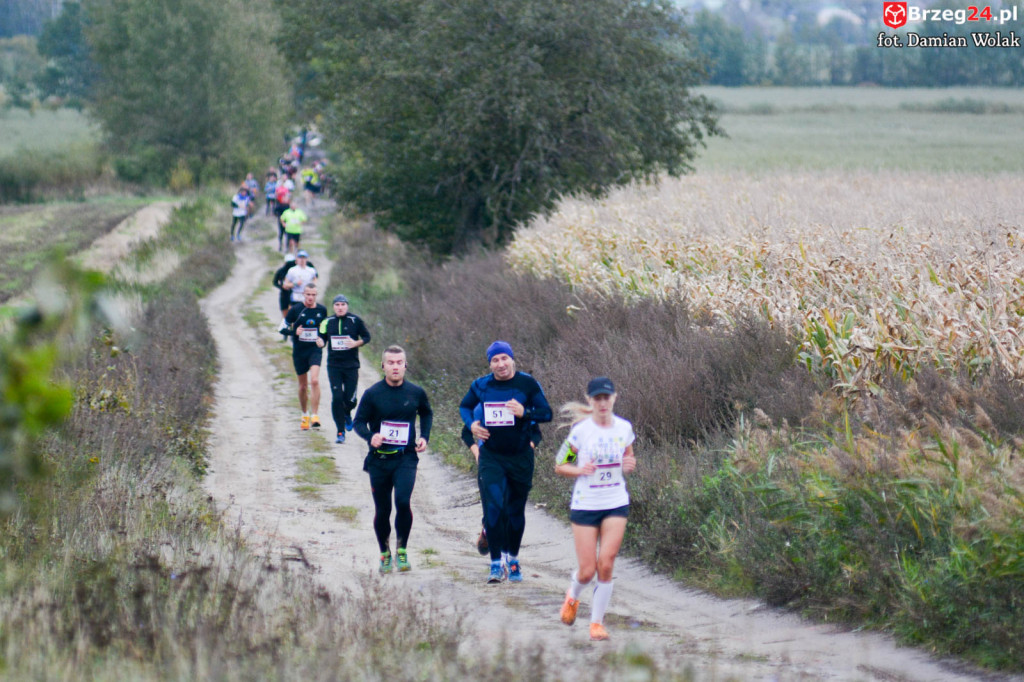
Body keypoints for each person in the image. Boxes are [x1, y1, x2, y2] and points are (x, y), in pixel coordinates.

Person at [459, 341, 552, 584]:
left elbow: (547, 413)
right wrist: (472, 425)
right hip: (491, 456)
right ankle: (495, 564)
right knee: (493, 507)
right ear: (489, 364)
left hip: (520, 457)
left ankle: (513, 559)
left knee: (514, 512)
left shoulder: (527, 384)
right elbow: (465, 407)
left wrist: (525, 413)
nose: (500, 364)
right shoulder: (481, 385)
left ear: (512, 359)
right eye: (495, 360)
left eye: (504, 358)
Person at [555, 377, 637, 642]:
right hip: (586, 504)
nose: (602, 403)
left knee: (607, 563)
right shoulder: (581, 432)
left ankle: (596, 624)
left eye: (607, 397)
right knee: (588, 570)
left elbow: (629, 456)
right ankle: (572, 597)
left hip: (615, 502)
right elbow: (560, 465)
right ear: (590, 401)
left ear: (614, 398)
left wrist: (628, 465)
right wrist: (579, 469)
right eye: (597, 398)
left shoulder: (624, 428)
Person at [353, 345, 433, 574]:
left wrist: (424, 437)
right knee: (383, 509)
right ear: (383, 366)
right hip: (379, 459)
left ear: (405, 365)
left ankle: (402, 550)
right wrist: (371, 437)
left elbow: (426, 412)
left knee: (403, 502)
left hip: (405, 457)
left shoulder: (416, 392)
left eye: (399, 363)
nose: (395, 367)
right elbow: (358, 422)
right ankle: (384, 553)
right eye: (391, 363)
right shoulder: (373, 394)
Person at [317, 294, 371, 444]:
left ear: (347, 306)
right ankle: (340, 431)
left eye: (343, 305)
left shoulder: (356, 320)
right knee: (337, 398)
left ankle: (347, 412)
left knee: (351, 399)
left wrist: (356, 343)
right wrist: (320, 342)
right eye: (337, 305)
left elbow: (367, 337)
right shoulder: (327, 321)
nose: (340, 308)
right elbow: (321, 337)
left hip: (351, 366)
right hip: (334, 365)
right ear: (333, 307)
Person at [283, 283, 328, 430]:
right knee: (303, 386)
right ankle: (304, 415)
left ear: (316, 295)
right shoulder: (296, 309)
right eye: (308, 294)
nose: (310, 297)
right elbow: (281, 328)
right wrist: (294, 332)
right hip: (299, 351)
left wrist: (323, 340)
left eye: (313, 295)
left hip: (314, 350)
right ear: (304, 294)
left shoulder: (322, 310)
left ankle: (315, 415)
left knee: (314, 380)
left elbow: (324, 330)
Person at [273, 253, 316, 332]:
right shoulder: (285, 270)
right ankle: (287, 327)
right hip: (289, 295)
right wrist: (284, 286)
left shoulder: (309, 269)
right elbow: (277, 282)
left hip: (301, 295)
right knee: (288, 312)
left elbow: (315, 279)